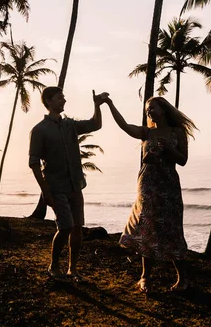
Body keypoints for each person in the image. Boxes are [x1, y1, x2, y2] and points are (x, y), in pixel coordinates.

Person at [103, 94, 196, 292]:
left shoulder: (177, 132)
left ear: (163, 110)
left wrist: (168, 149)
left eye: (152, 108)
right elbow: (125, 126)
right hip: (147, 185)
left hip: (168, 186)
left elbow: (183, 160)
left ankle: (183, 279)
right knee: (147, 227)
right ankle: (145, 278)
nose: (149, 112)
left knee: (172, 229)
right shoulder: (148, 133)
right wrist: (110, 104)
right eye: (147, 110)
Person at [28, 86, 105, 281]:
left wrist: (97, 105)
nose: (64, 100)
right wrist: (45, 191)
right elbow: (34, 163)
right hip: (55, 186)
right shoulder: (39, 130)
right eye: (60, 97)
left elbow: (95, 125)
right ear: (49, 101)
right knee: (65, 227)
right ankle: (54, 265)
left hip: (75, 185)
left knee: (77, 227)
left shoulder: (70, 125)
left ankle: (73, 268)